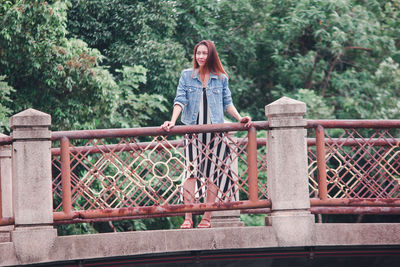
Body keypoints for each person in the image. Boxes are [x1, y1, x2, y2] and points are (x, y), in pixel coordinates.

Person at [161, 40, 251, 229]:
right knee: (191, 173)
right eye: (198, 53)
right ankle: (188, 217)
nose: (200, 56)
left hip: (215, 134)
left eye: (204, 53)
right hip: (193, 132)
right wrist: (172, 120)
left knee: (213, 175)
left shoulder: (221, 78)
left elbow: (227, 103)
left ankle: (207, 218)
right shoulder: (187, 76)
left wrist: (239, 117)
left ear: (211, 56)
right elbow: (180, 100)